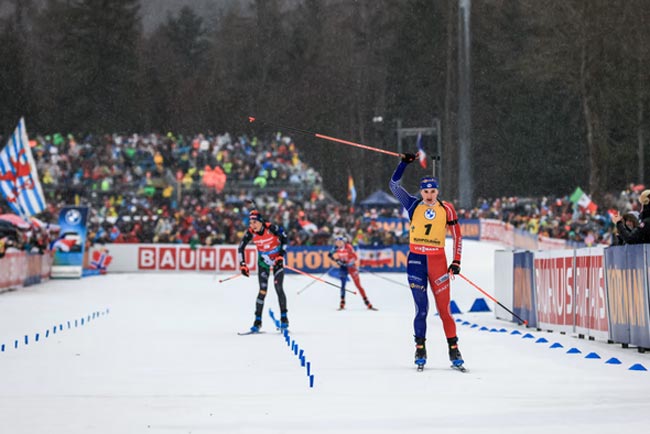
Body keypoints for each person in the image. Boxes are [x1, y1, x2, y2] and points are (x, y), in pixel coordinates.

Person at [388, 152, 464, 369]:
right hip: (416, 261)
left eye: (432, 191)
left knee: (444, 310)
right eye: (425, 191)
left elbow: (457, 235)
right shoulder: (413, 204)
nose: (429, 195)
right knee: (421, 310)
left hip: (438, 261)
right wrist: (403, 164)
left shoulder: (446, 208)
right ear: (420, 192)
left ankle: (453, 349)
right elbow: (394, 186)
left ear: (437, 191)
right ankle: (420, 348)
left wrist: (456, 261)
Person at [238, 209, 289, 332]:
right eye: (250, 222)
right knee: (262, 290)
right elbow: (241, 248)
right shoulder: (250, 233)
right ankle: (257, 321)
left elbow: (285, 238)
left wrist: (281, 255)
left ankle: (284, 319)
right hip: (264, 262)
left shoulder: (271, 228)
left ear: (260, 222)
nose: (252, 225)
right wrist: (243, 264)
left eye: (254, 222)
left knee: (278, 288)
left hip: (277, 260)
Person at [327, 235, 377, 311]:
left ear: (343, 242)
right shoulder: (335, 247)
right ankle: (342, 303)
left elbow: (355, 257)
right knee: (343, 285)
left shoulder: (348, 247)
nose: (338, 244)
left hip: (351, 267)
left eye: (340, 242)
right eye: (337, 242)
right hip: (343, 268)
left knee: (358, 285)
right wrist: (337, 260)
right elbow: (329, 255)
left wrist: (348, 263)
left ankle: (367, 302)